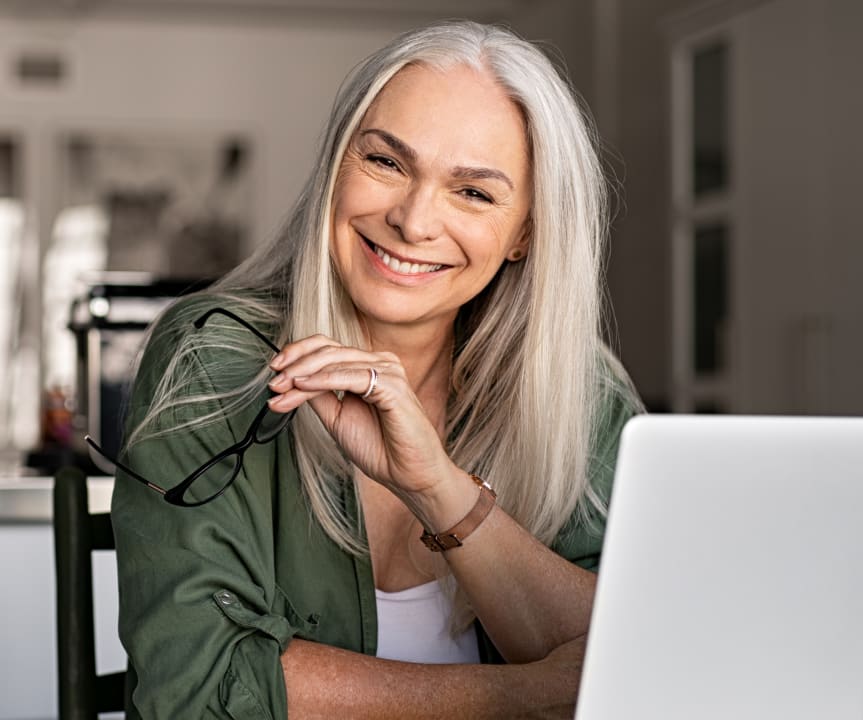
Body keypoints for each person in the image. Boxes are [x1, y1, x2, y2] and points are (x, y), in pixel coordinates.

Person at [104, 19, 642, 719]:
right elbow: (194, 690)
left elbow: (639, 662)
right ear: (335, 167)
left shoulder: (580, 393)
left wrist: (440, 490)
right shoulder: (214, 357)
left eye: (474, 192)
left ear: (525, 235)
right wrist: (516, 695)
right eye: (386, 162)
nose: (414, 221)